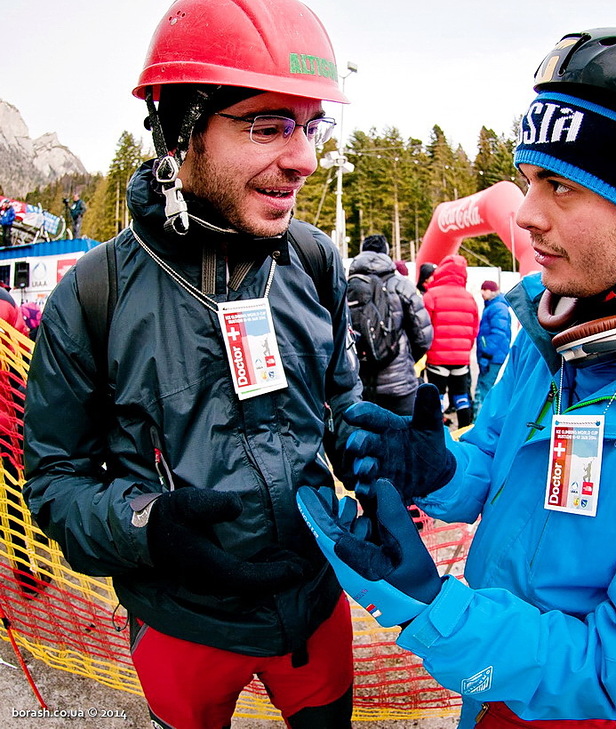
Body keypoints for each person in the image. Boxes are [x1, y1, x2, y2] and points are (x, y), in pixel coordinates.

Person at [296, 28, 616, 729]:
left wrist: (432, 606)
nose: (525, 214)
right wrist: (433, 468)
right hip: (484, 668)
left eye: (561, 186)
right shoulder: (552, 325)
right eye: (529, 181)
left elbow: (614, 667)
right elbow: (491, 465)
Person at [23, 1, 361, 727]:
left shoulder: (313, 260)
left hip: (311, 607)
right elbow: (53, 481)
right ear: (181, 133)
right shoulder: (92, 296)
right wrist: (147, 525)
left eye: (310, 127)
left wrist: (389, 449)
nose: (303, 158)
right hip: (181, 622)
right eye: (268, 126)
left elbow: (345, 411)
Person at [348, 234, 432, 416]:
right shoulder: (402, 285)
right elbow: (423, 337)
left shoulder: (346, 286)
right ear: (386, 253)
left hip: (360, 383)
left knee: (365, 440)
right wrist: (406, 359)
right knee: (403, 438)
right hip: (399, 385)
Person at [422, 254, 479, 428]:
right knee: (461, 396)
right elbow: (474, 330)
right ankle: (464, 432)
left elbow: (424, 327)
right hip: (461, 359)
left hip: (436, 358)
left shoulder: (431, 295)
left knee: (437, 397)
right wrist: (465, 350)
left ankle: (437, 433)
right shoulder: (470, 298)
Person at [473, 280, 511, 416]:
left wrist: (486, 353)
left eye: (485, 289)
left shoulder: (497, 308)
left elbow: (498, 334)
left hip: (491, 358)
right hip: (493, 356)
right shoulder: (495, 306)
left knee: (483, 392)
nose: (482, 293)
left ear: (491, 291)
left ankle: (476, 425)